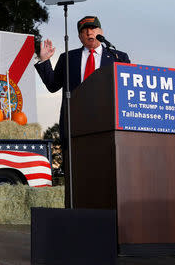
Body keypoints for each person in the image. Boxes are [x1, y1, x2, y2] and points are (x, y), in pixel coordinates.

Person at [34, 16, 130, 208]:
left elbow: (126, 91)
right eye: (84, 30)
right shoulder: (68, 58)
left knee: (106, 173)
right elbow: (53, 85)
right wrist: (44, 61)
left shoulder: (119, 57)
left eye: (93, 28)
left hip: (107, 124)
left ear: (101, 32)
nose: (89, 32)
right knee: (78, 175)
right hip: (76, 126)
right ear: (79, 36)